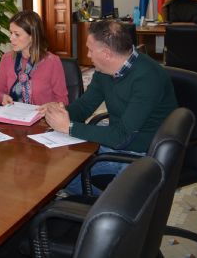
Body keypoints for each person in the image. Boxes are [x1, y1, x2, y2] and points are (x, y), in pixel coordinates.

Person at [41, 20, 177, 195]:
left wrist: (69, 127)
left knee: (68, 181)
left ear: (106, 53)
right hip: (115, 142)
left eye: (90, 50)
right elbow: (84, 106)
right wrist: (59, 114)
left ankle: (108, 214)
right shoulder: (104, 71)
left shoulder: (148, 78)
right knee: (57, 171)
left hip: (143, 153)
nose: (88, 55)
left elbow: (121, 137)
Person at [0, 10, 68, 106]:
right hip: (13, 117)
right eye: (11, 33)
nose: (11, 38)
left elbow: (63, 100)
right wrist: (3, 97)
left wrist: (52, 107)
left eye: (17, 34)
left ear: (32, 36)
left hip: (42, 119)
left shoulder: (52, 62)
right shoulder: (6, 59)